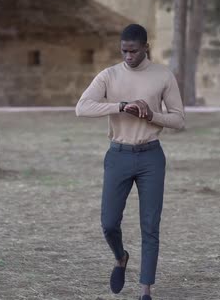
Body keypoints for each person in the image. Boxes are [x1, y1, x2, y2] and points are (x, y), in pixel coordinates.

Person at [75, 23, 185, 300]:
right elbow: (82, 108)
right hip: (118, 155)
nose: (128, 56)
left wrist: (152, 116)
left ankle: (145, 290)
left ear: (145, 48)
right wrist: (121, 106)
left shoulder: (162, 75)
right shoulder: (109, 76)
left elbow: (179, 120)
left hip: (151, 156)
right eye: (123, 51)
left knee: (150, 225)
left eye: (133, 51)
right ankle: (121, 257)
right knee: (109, 222)